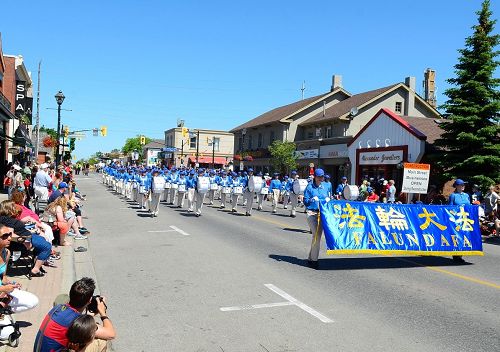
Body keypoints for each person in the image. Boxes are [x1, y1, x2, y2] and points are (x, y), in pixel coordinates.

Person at [34, 277, 116, 352]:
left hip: (39, 349)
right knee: (100, 341)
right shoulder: (75, 321)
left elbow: (73, 321)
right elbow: (110, 334)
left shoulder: (58, 307)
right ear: (89, 300)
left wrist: (89, 315)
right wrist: (102, 312)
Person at [0, 201, 52, 277]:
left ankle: (37, 262)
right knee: (46, 247)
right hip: (23, 241)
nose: (16, 207)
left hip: (28, 236)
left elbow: (17, 228)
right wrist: (25, 241)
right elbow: (10, 235)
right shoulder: (6, 220)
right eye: (13, 206)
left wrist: (30, 227)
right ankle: (35, 270)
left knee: (43, 240)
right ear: (9, 209)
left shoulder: (7, 218)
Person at [0, 224, 39, 313]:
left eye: (10, 234)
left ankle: (3, 309)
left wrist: (11, 283)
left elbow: (3, 277)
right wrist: (3, 289)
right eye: (5, 236)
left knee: (33, 301)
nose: (9, 238)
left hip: (3, 291)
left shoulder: (6, 252)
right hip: (2, 290)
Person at [303, 168, 330, 269]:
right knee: (317, 236)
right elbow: (305, 202)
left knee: (316, 237)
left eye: (322, 176)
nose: (321, 178)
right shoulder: (309, 187)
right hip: (312, 213)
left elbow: (327, 197)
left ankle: (311, 257)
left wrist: (328, 199)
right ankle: (314, 260)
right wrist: (311, 199)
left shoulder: (326, 187)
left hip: (322, 214)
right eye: (319, 176)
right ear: (315, 176)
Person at [448, 179, 470, 263]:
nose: (463, 186)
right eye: (461, 185)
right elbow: (449, 208)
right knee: (457, 236)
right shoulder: (453, 196)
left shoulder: (466, 195)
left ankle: (460, 254)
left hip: (465, 219)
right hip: (457, 219)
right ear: (457, 186)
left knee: (464, 236)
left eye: (463, 185)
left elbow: (469, 206)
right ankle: (456, 255)